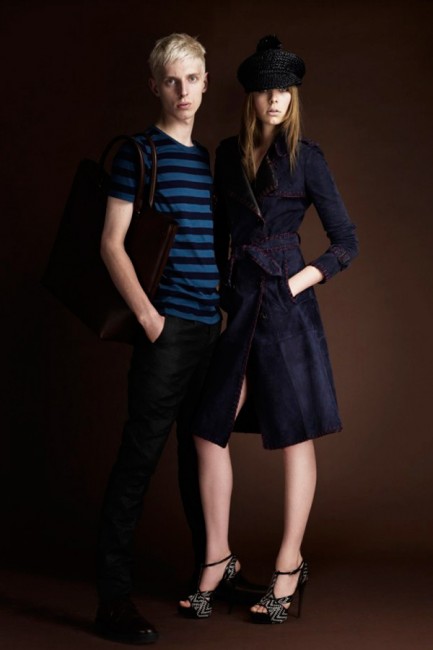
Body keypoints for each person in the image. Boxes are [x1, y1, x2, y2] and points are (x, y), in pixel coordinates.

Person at [179, 35, 359, 624]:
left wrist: (297, 282)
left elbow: (346, 242)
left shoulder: (308, 157)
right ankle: (217, 558)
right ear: (250, 96)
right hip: (239, 305)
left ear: (293, 95)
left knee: (295, 436)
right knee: (208, 430)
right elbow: (217, 234)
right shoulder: (227, 154)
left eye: (284, 89)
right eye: (265, 89)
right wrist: (209, 295)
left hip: (285, 310)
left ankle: (288, 563)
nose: (276, 98)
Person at [94, 33, 221, 644]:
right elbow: (110, 244)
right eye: (172, 80)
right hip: (166, 331)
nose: (183, 91)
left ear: (205, 83)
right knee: (138, 462)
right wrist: (150, 318)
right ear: (155, 86)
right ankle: (112, 600)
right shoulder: (138, 153)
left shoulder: (204, 159)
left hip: (209, 330)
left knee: (201, 459)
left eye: (192, 79)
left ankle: (209, 577)